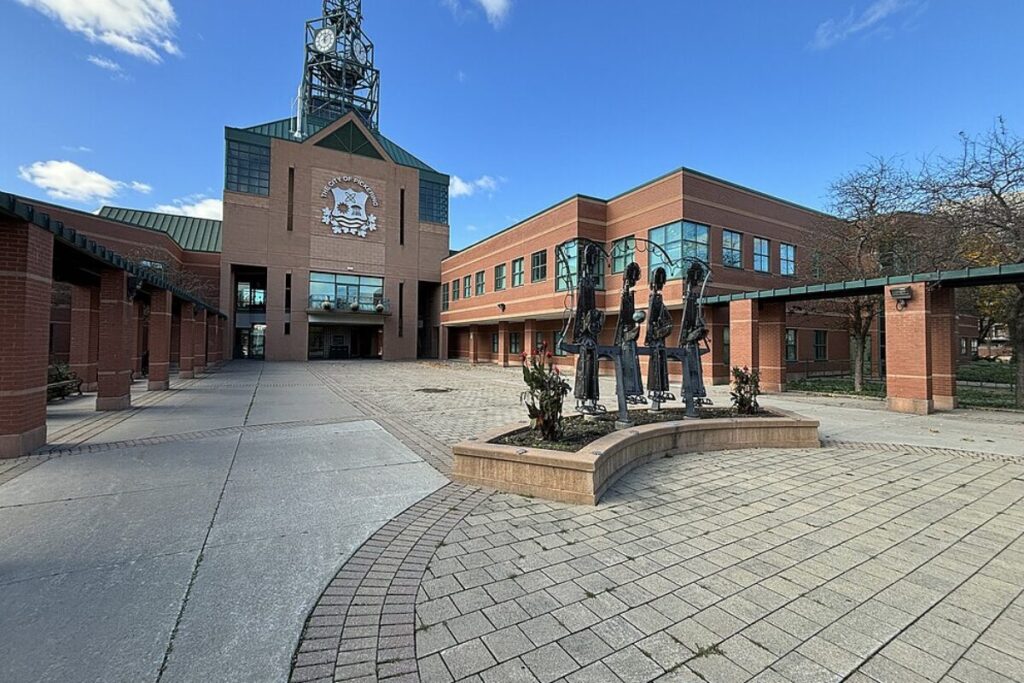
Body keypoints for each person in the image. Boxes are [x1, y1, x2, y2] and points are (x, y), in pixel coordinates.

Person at [572, 243, 604, 412]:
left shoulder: (591, 283)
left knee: (593, 372)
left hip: (592, 340)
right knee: (584, 369)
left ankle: (592, 401)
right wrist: (579, 332)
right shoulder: (585, 283)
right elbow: (580, 312)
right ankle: (582, 400)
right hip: (585, 340)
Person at [614, 262, 644, 400]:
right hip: (625, 343)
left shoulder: (629, 297)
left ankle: (633, 391)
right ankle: (627, 392)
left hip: (630, 345)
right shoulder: (626, 297)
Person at [645, 266, 673, 407]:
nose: (658, 287)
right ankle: (655, 394)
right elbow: (650, 319)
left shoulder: (659, 302)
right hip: (656, 341)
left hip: (659, 341)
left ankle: (658, 395)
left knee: (660, 366)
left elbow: (667, 320)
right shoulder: (654, 300)